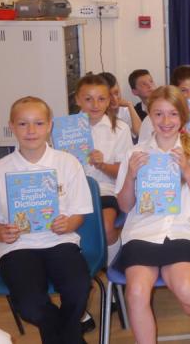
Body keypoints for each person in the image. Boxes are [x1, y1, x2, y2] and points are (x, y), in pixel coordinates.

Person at [0, 96, 93, 344]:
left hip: (61, 242)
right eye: (23, 124)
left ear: (50, 125)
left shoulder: (67, 163)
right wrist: (0, 233)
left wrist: (68, 224)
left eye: (38, 123)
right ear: (12, 126)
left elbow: (80, 212)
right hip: (18, 247)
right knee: (30, 305)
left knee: (79, 288)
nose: (31, 131)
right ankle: (71, 339)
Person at [115, 86, 190, 344]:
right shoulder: (134, 154)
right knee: (136, 292)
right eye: (158, 114)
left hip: (182, 230)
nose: (166, 121)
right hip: (142, 233)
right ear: (149, 116)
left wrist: (188, 173)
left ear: (182, 117)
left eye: (172, 114)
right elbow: (125, 206)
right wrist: (130, 175)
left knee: (184, 287)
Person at [75, 74, 133, 261]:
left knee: (106, 227)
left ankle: (113, 276)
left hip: (105, 190)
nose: (95, 104)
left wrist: (102, 165)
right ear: (77, 100)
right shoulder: (65, 129)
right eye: (88, 99)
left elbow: (124, 173)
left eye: (101, 99)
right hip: (72, 193)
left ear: (109, 101)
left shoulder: (120, 129)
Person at [138, 66, 190, 166]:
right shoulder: (151, 120)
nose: (189, 97)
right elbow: (141, 153)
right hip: (160, 176)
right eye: (183, 90)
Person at [100, 71, 142, 138]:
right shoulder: (93, 112)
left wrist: (130, 105)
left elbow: (139, 132)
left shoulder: (125, 110)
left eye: (116, 93)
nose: (114, 98)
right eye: (109, 95)